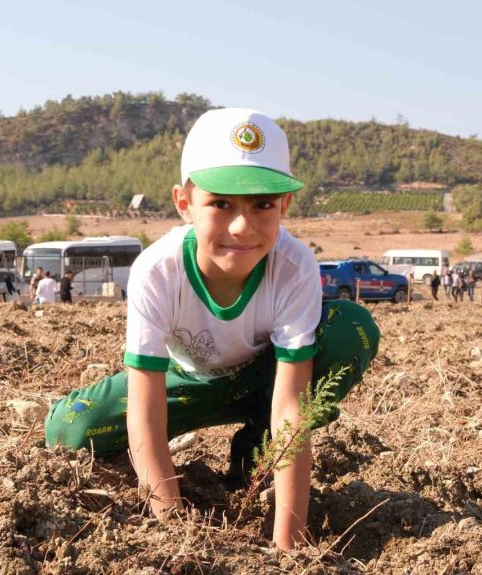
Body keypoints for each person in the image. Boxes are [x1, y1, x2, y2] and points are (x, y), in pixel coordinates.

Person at [44, 108, 380, 551]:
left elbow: (290, 409)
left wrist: (290, 545)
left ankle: (251, 464)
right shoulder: (158, 271)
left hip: (265, 377)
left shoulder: (294, 265)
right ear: (184, 204)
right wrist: (173, 531)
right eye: (220, 203)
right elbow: (145, 410)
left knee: (350, 328)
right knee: (70, 430)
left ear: (285, 205)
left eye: (263, 205)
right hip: (189, 381)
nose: (242, 227)